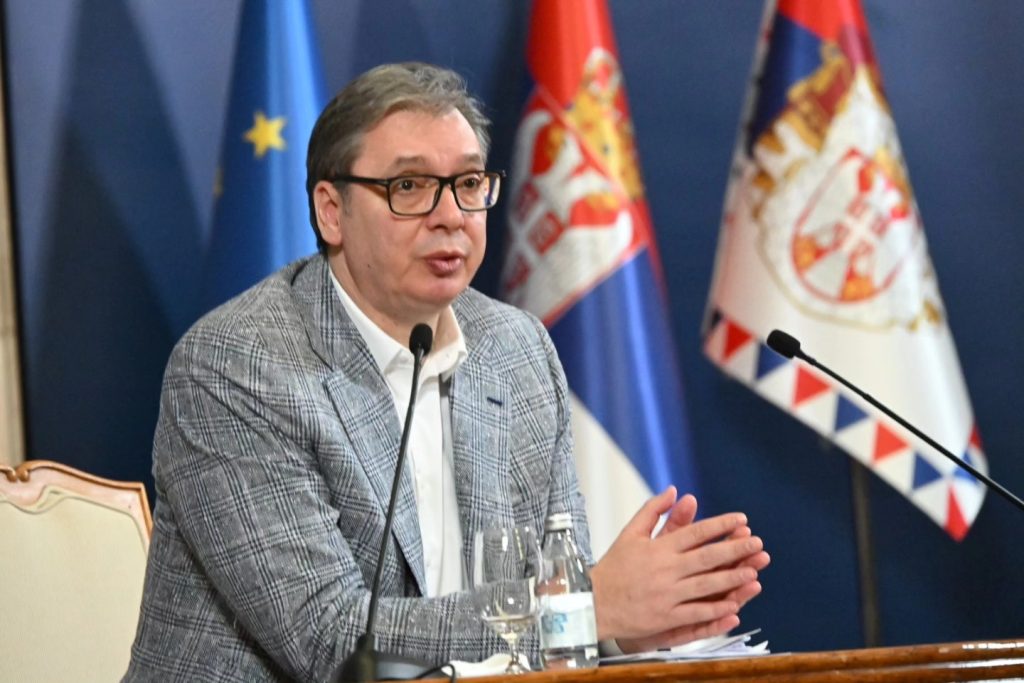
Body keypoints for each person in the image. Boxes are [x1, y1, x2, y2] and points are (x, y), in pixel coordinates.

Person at [124, 62, 769, 682]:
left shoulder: (517, 351)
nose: (451, 215)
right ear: (331, 212)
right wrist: (589, 609)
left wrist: (626, 626)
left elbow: (553, 601)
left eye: (467, 183)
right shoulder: (236, 367)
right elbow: (332, 642)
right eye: (409, 187)